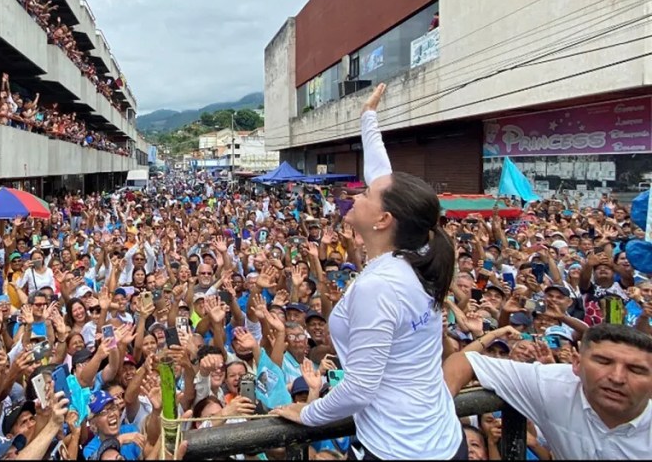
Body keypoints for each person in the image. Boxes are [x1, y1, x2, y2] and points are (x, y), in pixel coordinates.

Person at [272, 84, 465, 460]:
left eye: (364, 195)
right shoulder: (420, 250)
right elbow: (383, 173)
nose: (355, 194)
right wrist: (368, 117)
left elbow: (360, 388)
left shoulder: (380, 285)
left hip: (400, 450)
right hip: (442, 438)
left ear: (383, 220)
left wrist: (309, 412)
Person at [444, 323, 652, 459]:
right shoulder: (552, 385)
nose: (617, 377)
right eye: (604, 362)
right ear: (576, 364)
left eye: (636, 370)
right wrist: (435, 411)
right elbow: (465, 361)